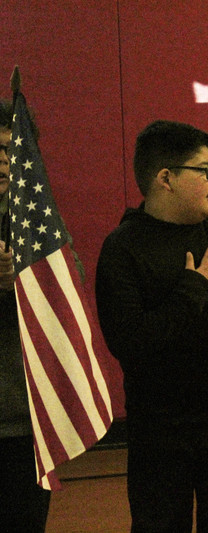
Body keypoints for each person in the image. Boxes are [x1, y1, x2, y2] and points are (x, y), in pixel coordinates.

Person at [95, 120, 208, 532]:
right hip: (162, 425)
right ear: (165, 178)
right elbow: (129, 340)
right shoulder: (123, 247)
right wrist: (193, 293)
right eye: (205, 170)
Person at [0, 98, 51, 532]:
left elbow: (66, 290)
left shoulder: (36, 222)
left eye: (10, 151)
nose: (3, 163)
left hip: (21, 420)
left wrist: (20, 278)